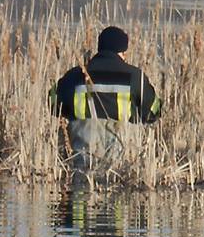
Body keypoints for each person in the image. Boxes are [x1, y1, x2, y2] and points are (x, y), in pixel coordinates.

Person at [51, 26, 161, 165]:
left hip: (82, 159)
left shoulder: (75, 75)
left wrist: (71, 112)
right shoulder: (134, 76)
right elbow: (153, 111)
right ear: (121, 52)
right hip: (121, 163)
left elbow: (53, 103)